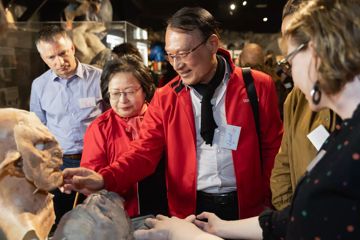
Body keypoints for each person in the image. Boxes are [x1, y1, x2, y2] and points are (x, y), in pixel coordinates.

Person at [133, 0, 360, 239]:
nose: (290, 71)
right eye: (171, 55)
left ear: (318, 54)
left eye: (290, 58)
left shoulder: (349, 144)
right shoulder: (346, 134)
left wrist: (188, 235)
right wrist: (220, 228)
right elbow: (298, 218)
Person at [63, 7, 283, 221]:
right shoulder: (166, 97)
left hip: (248, 208)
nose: (177, 65)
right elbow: (143, 153)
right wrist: (104, 178)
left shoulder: (257, 86)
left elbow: (273, 148)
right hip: (191, 211)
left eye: (184, 54)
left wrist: (269, 199)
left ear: (212, 44)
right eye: (171, 55)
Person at [30, 25, 103, 228]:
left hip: (97, 162)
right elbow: (39, 128)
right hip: (61, 165)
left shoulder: (98, 77)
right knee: (64, 221)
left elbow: (113, 120)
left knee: (99, 221)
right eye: (51, 57)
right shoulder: (39, 85)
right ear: (43, 57)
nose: (59, 62)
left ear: (72, 47)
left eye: (62, 53)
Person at [270, 0, 338, 210]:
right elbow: (283, 165)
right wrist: (293, 217)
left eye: (297, 44)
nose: (289, 62)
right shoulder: (296, 98)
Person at [80, 55, 167, 217]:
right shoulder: (99, 128)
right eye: (115, 93)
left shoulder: (163, 119)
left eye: (129, 92)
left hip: (168, 212)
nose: (123, 100)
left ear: (145, 89)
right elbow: (93, 176)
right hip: (122, 215)